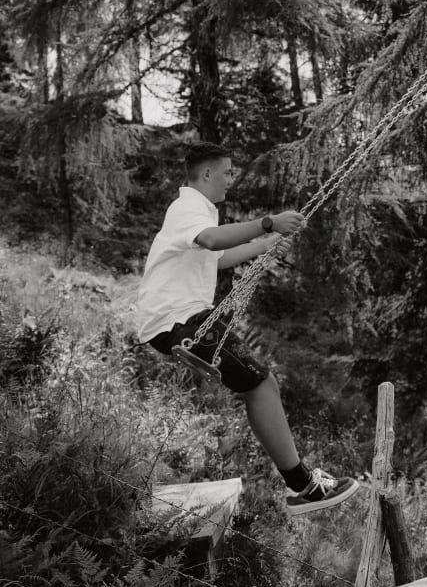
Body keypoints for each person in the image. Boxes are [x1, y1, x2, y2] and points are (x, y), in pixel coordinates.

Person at [137, 142, 359, 515]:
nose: (230, 180)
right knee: (260, 384)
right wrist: (268, 222)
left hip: (176, 322)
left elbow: (218, 256)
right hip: (179, 322)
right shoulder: (188, 206)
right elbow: (211, 239)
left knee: (260, 383)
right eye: (226, 172)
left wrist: (267, 242)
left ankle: (301, 484)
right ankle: (304, 487)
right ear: (206, 173)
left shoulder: (196, 210)